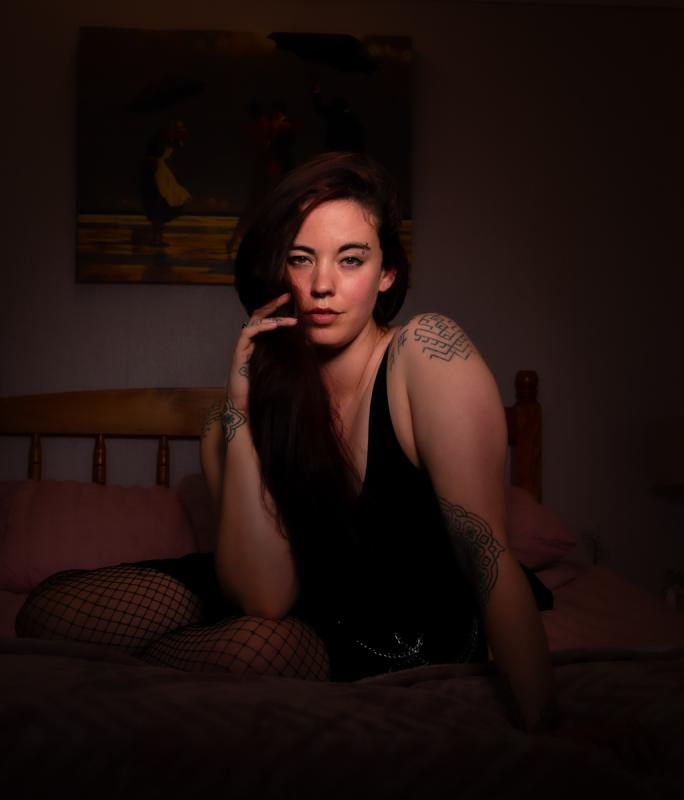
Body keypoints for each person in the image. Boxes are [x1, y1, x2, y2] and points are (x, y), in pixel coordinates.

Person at [16, 151, 555, 732]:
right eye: (301, 259)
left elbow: (487, 552)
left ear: (387, 273)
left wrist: (544, 731)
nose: (322, 285)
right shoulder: (229, 423)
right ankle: (179, 656)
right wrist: (243, 409)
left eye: (351, 260)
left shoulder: (425, 354)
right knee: (49, 613)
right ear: (280, 272)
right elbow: (265, 594)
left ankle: (159, 665)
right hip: (292, 593)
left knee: (254, 650)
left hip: (398, 621)